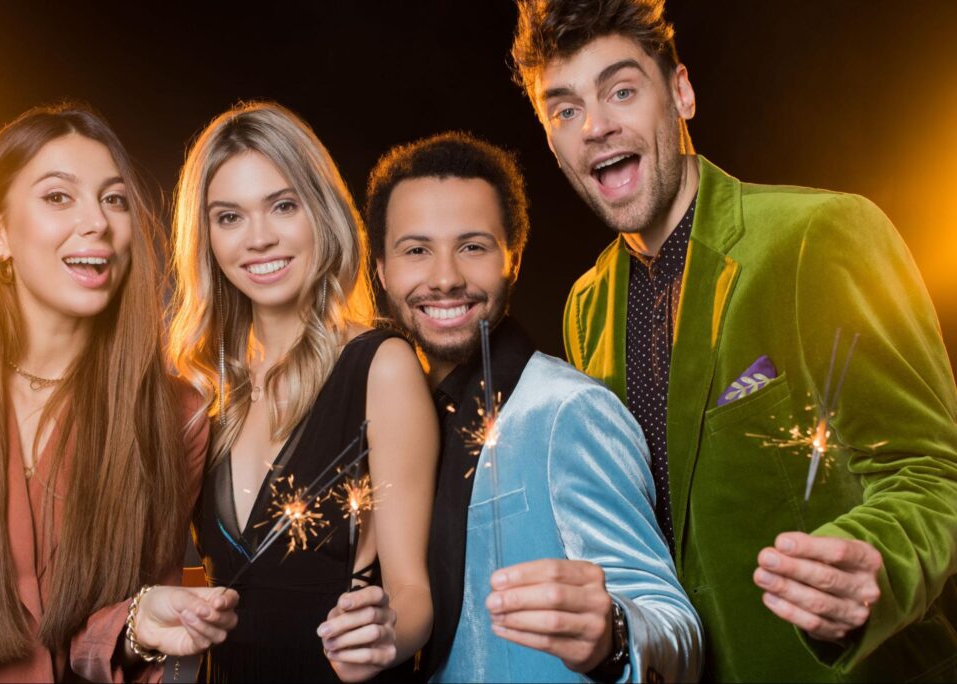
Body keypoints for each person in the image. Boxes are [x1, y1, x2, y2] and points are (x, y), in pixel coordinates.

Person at [509, 0, 957, 681]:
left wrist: (879, 562)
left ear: (681, 93)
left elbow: (931, 473)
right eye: (565, 110)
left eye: (621, 91)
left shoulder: (822, 234)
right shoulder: (586, 306)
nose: (596, 126)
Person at [366, 131, 701, 683]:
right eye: (416, 249)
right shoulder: (377, 422)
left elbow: (677, 628)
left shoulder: (569, 411)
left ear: (513, 259)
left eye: (473, 246)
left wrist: (615, 635)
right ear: (381, 268)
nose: (445, 277)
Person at [0, 104, 238, 682]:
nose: (96, 221)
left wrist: (138, 624)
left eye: (114, 198)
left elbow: (112, 640)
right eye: (58, 197)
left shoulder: (177, 417)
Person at [168, 101, 437, 682]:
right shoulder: (201, 390)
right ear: (206, 236)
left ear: (320, 211)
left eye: (283, 206)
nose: (259, 238)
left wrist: (385, 633)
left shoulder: (381, 366)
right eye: (230, 217)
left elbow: (412, 591)